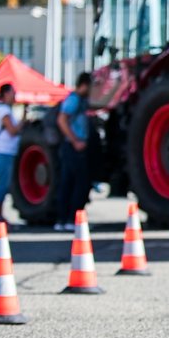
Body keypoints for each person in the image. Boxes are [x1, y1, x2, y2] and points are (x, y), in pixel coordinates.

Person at [55, 73, 92, 232]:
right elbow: (61, 120)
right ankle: (68, 218)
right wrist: (75, 140)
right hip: (72, 147)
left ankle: (66, 219)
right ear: (84, 85)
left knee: (71, 183)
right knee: (75, 183)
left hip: (73, 146)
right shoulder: (74, 99)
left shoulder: (79, 100)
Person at [0, 84, 22, 225]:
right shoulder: (3, 109)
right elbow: (12, 130)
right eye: (13, 93)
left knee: (5, 184)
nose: (15, 97)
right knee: (3, 184)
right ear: (6, 94)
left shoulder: (4, 109)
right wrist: (24, 121)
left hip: (7, 151)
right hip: (4, 151)